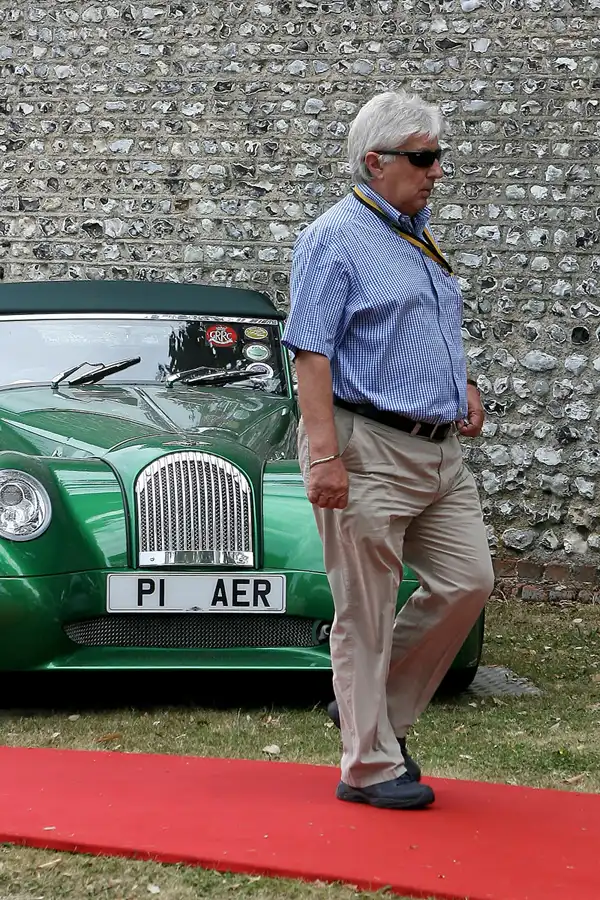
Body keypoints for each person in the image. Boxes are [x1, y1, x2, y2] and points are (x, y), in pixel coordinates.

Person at [281, 90, 494, 811]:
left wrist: (459, 381)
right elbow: (310, 353)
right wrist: (323, 457)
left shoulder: (416, 230)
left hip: (438, 451)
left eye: (438, 157)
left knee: (469, 581)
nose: (436, 172)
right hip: (367, 445)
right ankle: (368, 766)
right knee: (364, 611)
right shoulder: (334, 237)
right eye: (424, 157)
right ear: (374, 162)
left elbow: (422, 325)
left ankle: (370, 710)